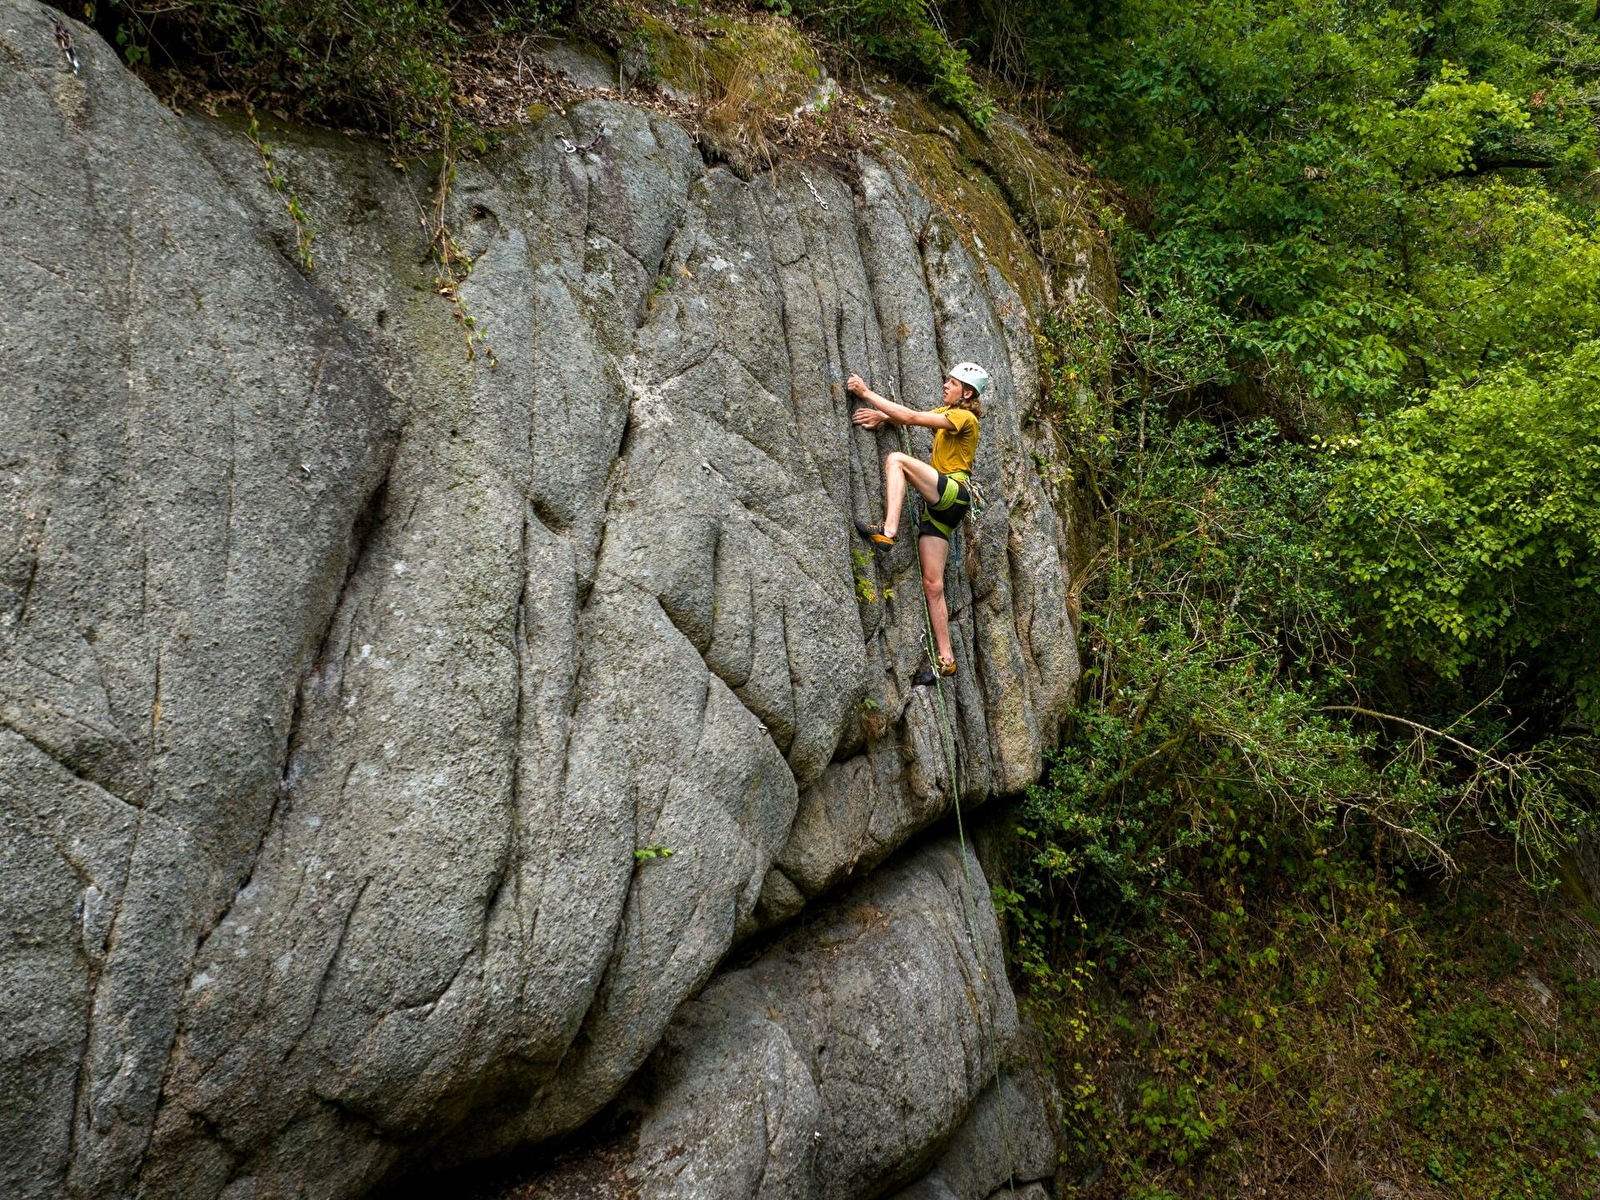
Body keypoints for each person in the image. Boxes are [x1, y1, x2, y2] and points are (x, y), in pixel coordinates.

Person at [849, 362, 989, 686]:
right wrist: (883, 416)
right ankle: (947, 660)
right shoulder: (949, 413)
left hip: (953, 492)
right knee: (933, 585)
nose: (946, 385)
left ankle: (888, 531)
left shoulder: (964, 418)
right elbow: (912, 417)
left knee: (896, 460)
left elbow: (912, 417)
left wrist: (866, 393)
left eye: (952, 383)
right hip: (945, 510)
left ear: (967, 393)